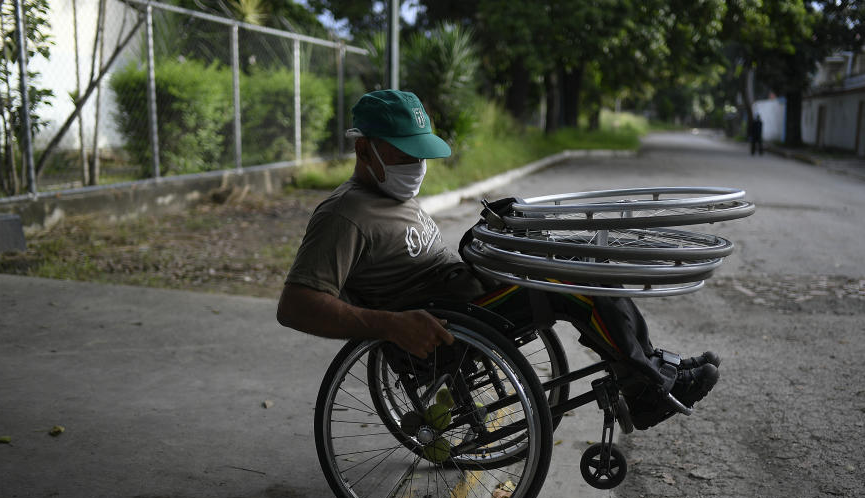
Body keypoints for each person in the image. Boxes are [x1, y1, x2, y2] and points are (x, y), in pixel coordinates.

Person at [277, 90, 719, 430]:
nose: (417, 163)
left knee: (568, 251)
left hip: (469, 299)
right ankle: (646, 386)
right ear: (364, 150)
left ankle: (649, 363)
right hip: (449, 326)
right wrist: (389, 325)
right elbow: (296, 305)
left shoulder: (391, 194)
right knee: (573, 277)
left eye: (420, 151)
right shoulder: (344, 216)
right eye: (403, 152)